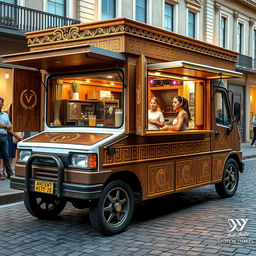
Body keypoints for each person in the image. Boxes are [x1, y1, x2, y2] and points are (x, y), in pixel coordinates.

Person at [0, 97, 14, 179]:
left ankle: (9, 173)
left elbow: (10, 126)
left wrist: (3, 126)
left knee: (6, 156)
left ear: (2, 105)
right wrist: (6, 126)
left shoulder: (5, 115)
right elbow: (8, 126)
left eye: (0, 103)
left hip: (4, 137)